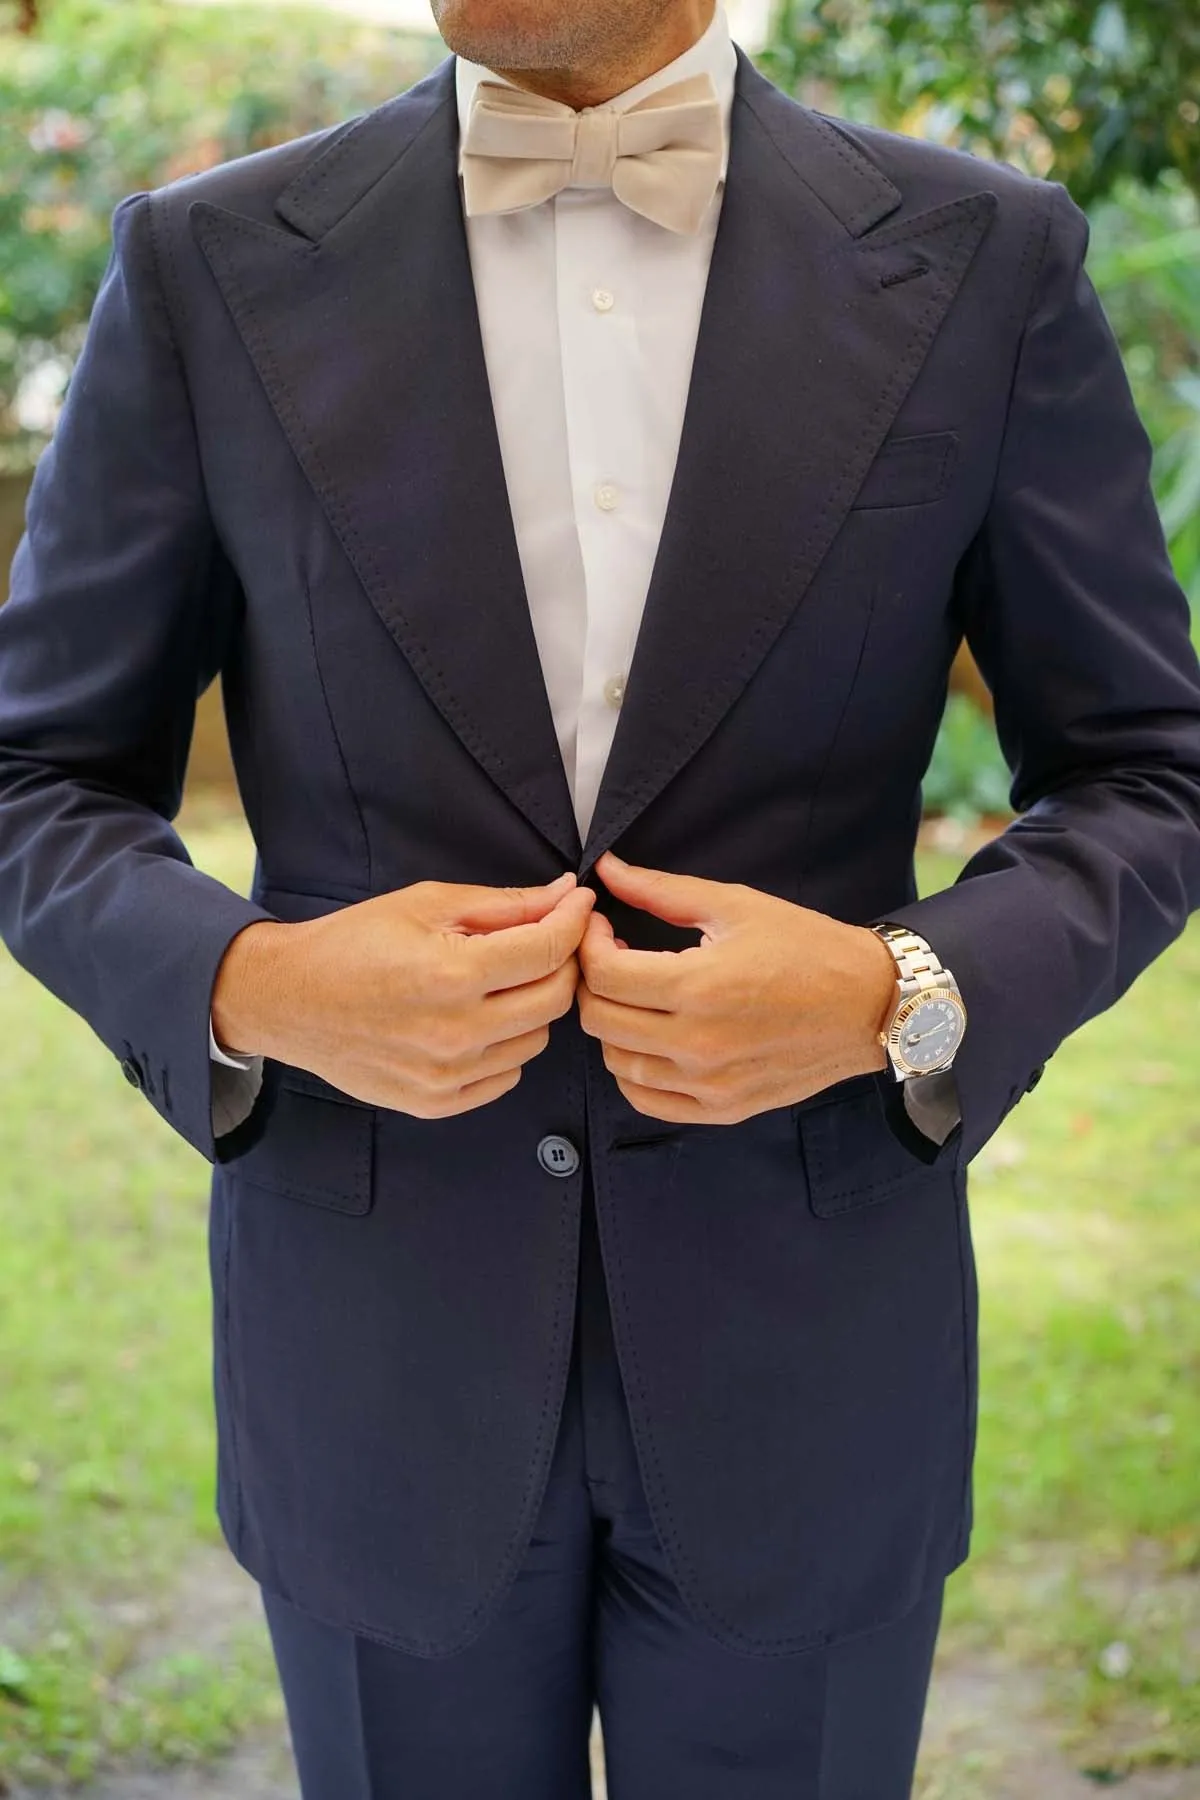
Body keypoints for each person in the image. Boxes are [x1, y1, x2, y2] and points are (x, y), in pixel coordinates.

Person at [2, 0, 1199, 1792]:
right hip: (374, 1359)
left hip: (812, 1359)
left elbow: (1147, 770)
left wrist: (903, 991)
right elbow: (38, 773)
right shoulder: (208, 266)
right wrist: (252, 984)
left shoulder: (984, 259)